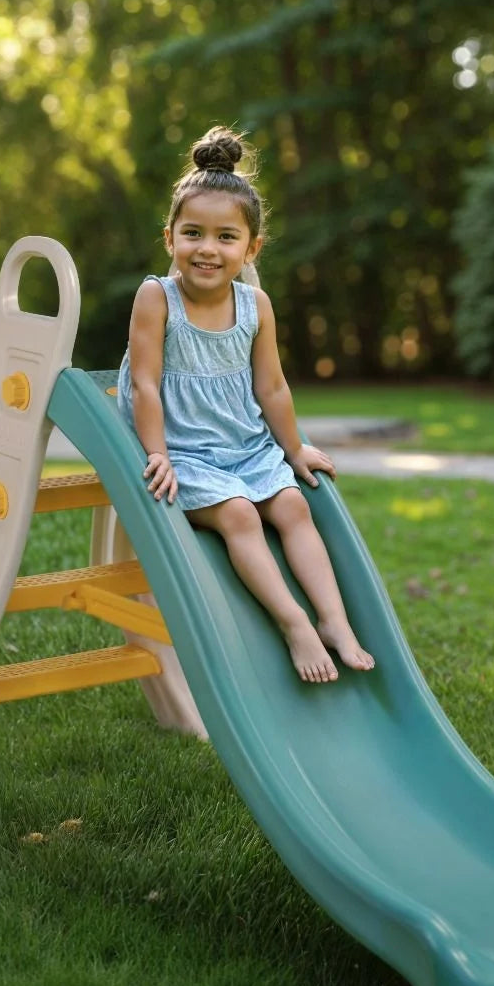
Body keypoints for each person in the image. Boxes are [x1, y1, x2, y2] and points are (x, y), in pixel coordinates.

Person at [116, 127, 374, 683]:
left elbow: (273, 388)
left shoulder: (255, 304)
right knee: (237, 512)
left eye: (226, 237)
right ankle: (294, 622)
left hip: (243, 442)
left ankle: (334, 621)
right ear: (170, 239)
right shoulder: (157, 297)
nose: (208, 248)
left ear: (250, 248)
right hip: (182, 447)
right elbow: (144, 384)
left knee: (292, 507)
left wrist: (294, 447)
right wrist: (156, 453)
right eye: (193, 233)